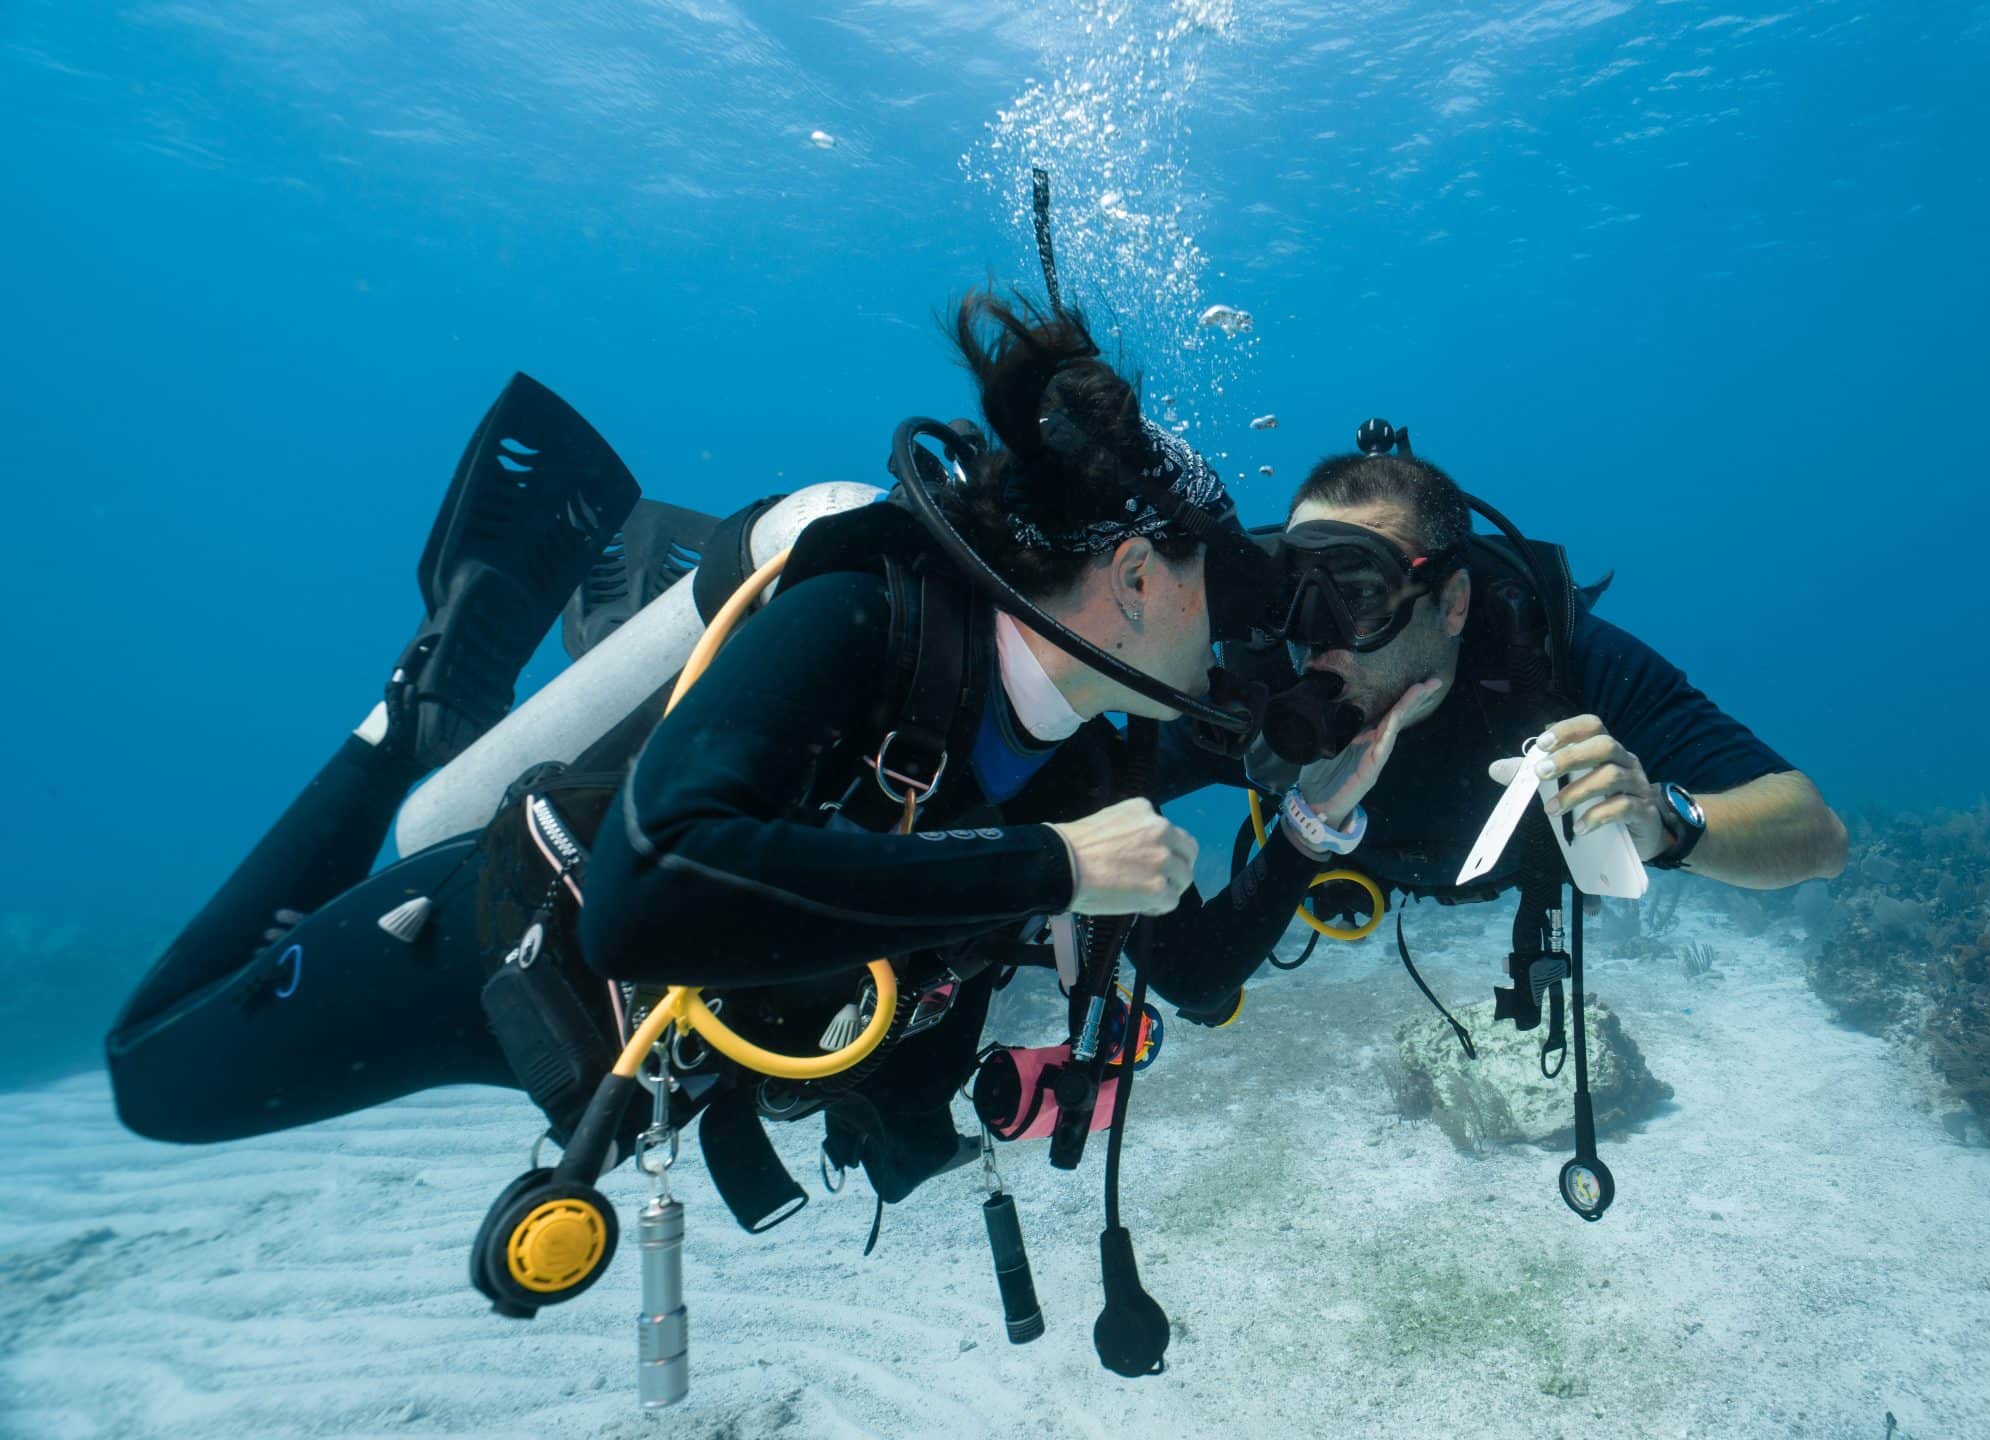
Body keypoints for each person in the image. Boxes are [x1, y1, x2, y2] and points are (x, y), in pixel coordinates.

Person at [103, 294, 1376, 1253]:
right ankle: (413, 715)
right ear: (1138, 577)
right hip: (506, 949)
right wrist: (1048, 864)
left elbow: (1196, 968)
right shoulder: (865, 625)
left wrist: (1321, 812)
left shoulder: (1100, 743)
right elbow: (637, 899)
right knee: (153, 1083)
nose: (1233, 627)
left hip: (690, 1056)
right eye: (1218, 580)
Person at [1148, 432, 1848, 1029]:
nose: (1315, 645)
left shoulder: (1548, 664)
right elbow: (1099, 786)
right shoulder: (1256, 686)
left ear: (1452, 604)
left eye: (1355, 596)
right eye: (1292, 600)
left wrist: (1664, 823)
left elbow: (1818, 835)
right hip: (1347, 877)